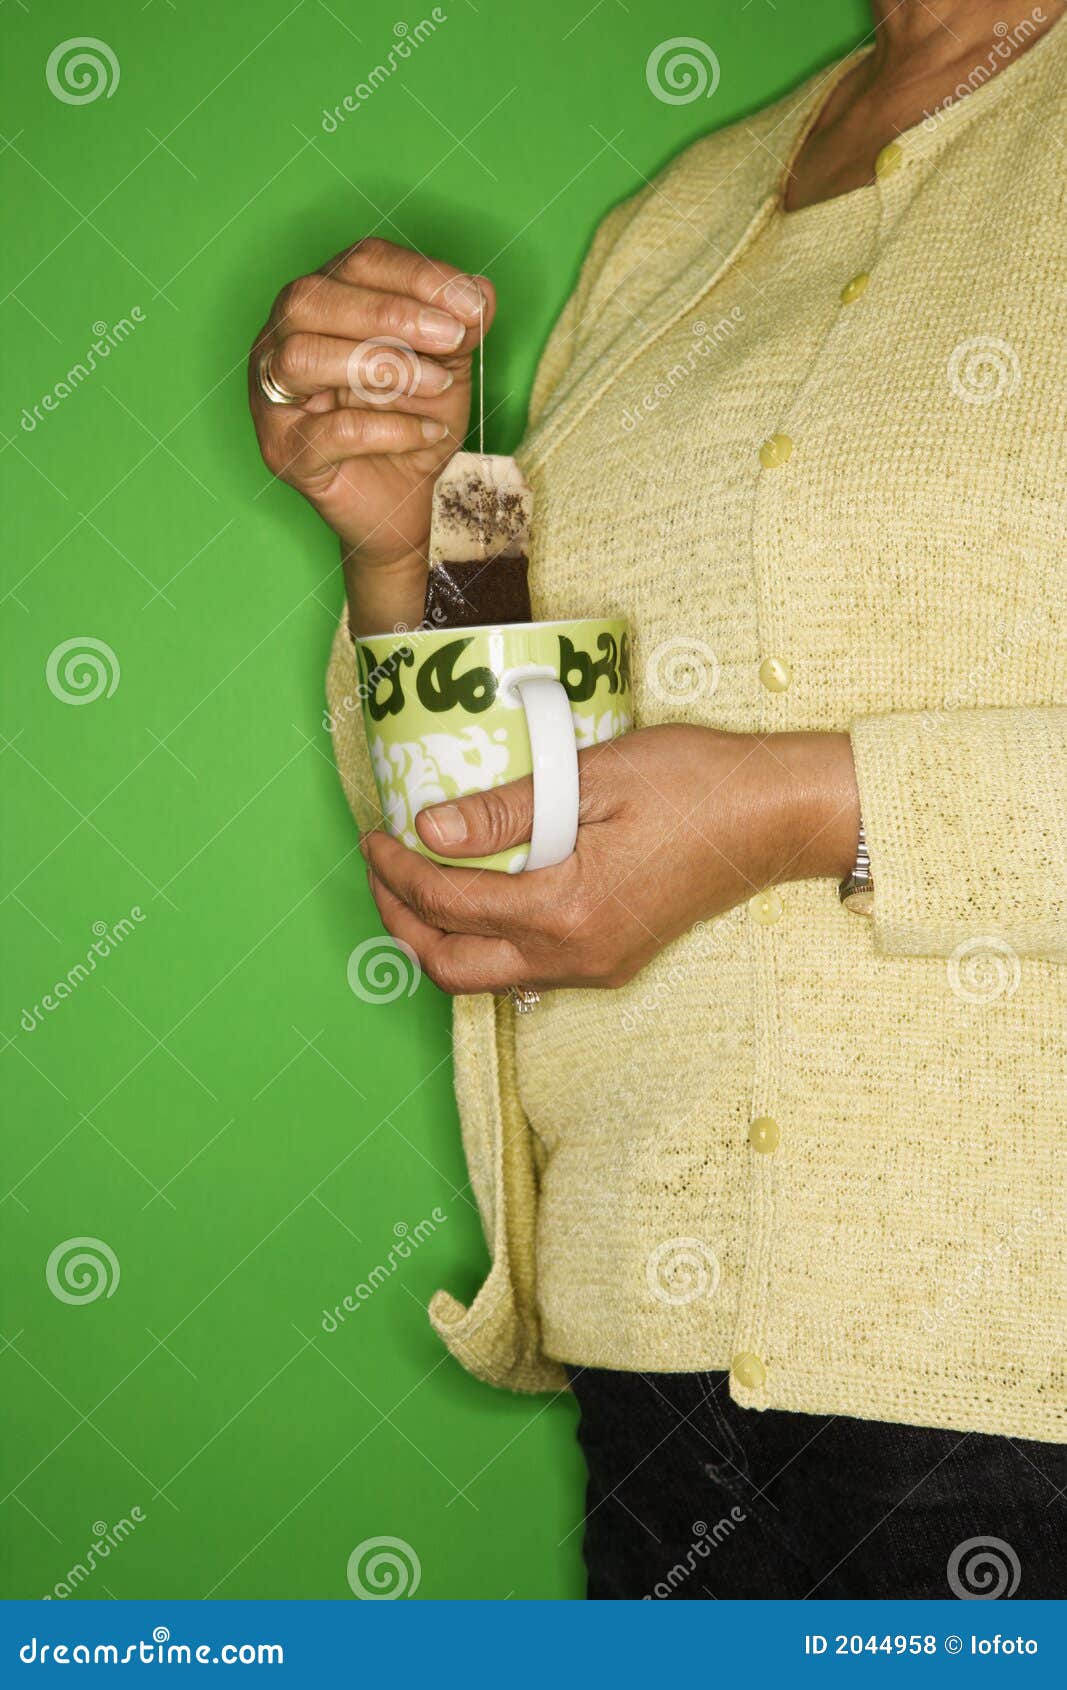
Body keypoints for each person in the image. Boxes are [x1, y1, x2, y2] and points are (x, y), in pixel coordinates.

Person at [249, 0, 1066, 1599]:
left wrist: (802, 804)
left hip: (1019, 1384)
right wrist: (404, 548)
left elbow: (745, 797)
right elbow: (517, 793)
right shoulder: (683, 217)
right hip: (656, 1377)